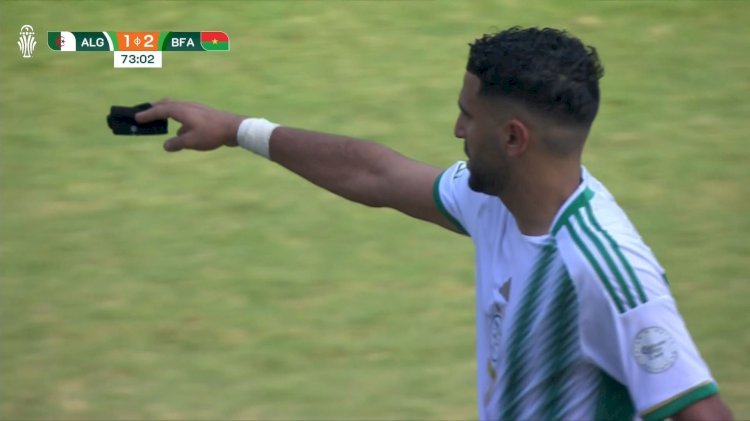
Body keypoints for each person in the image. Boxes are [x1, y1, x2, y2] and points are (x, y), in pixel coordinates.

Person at [136, 27, 732, 420]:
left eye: (467, 115)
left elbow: (702, 411)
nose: (456, 130)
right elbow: (374, 173)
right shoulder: (497, 199)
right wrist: (237, 130)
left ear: (514, 137)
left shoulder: (605, 270)